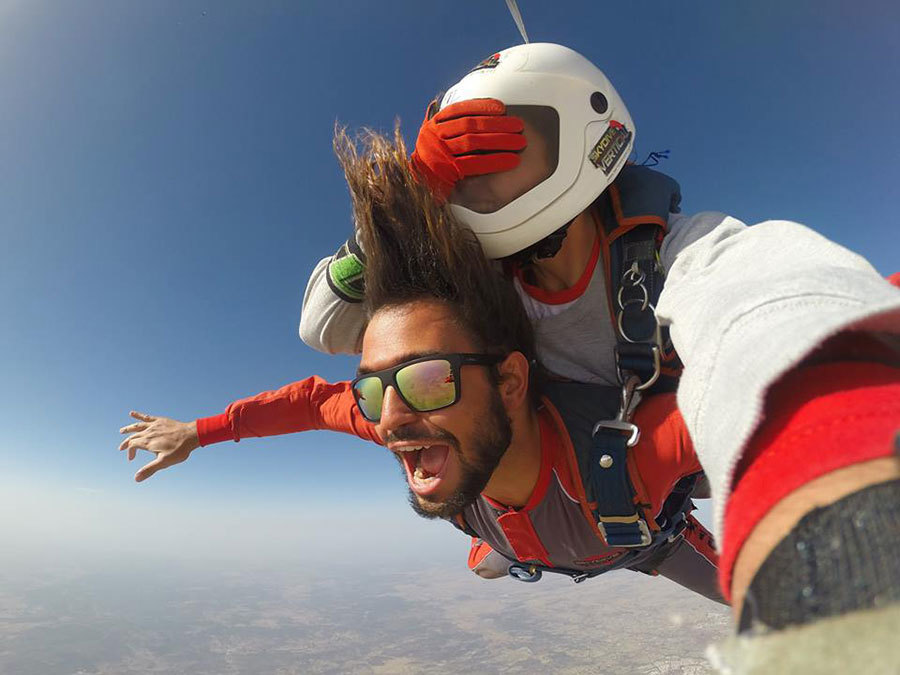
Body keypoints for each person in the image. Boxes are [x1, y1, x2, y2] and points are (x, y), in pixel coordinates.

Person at [295, 43, 900, 634]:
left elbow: (769, 301)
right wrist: (403, 205)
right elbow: (324, 331)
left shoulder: (675, 254)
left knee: (772, 595)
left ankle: (525, 538)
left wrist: (844, 409)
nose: (477, 180)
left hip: (647, 485)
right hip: (557, 480)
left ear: (585, 141)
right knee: (492, 517)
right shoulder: (476, 297)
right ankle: (510, 538)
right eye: (459, 166)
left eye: (502, 148)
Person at [120, 128, 723, 603]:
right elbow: (310, 402)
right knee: (491, 545)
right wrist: (198, 433)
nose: (390, 419)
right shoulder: (403, 412)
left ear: (511, 381)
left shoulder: (634, 452)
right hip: (527, 534)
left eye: (428, 377)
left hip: (639, 540)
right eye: (373, 389)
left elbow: (764, 406)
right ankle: (506, 544)